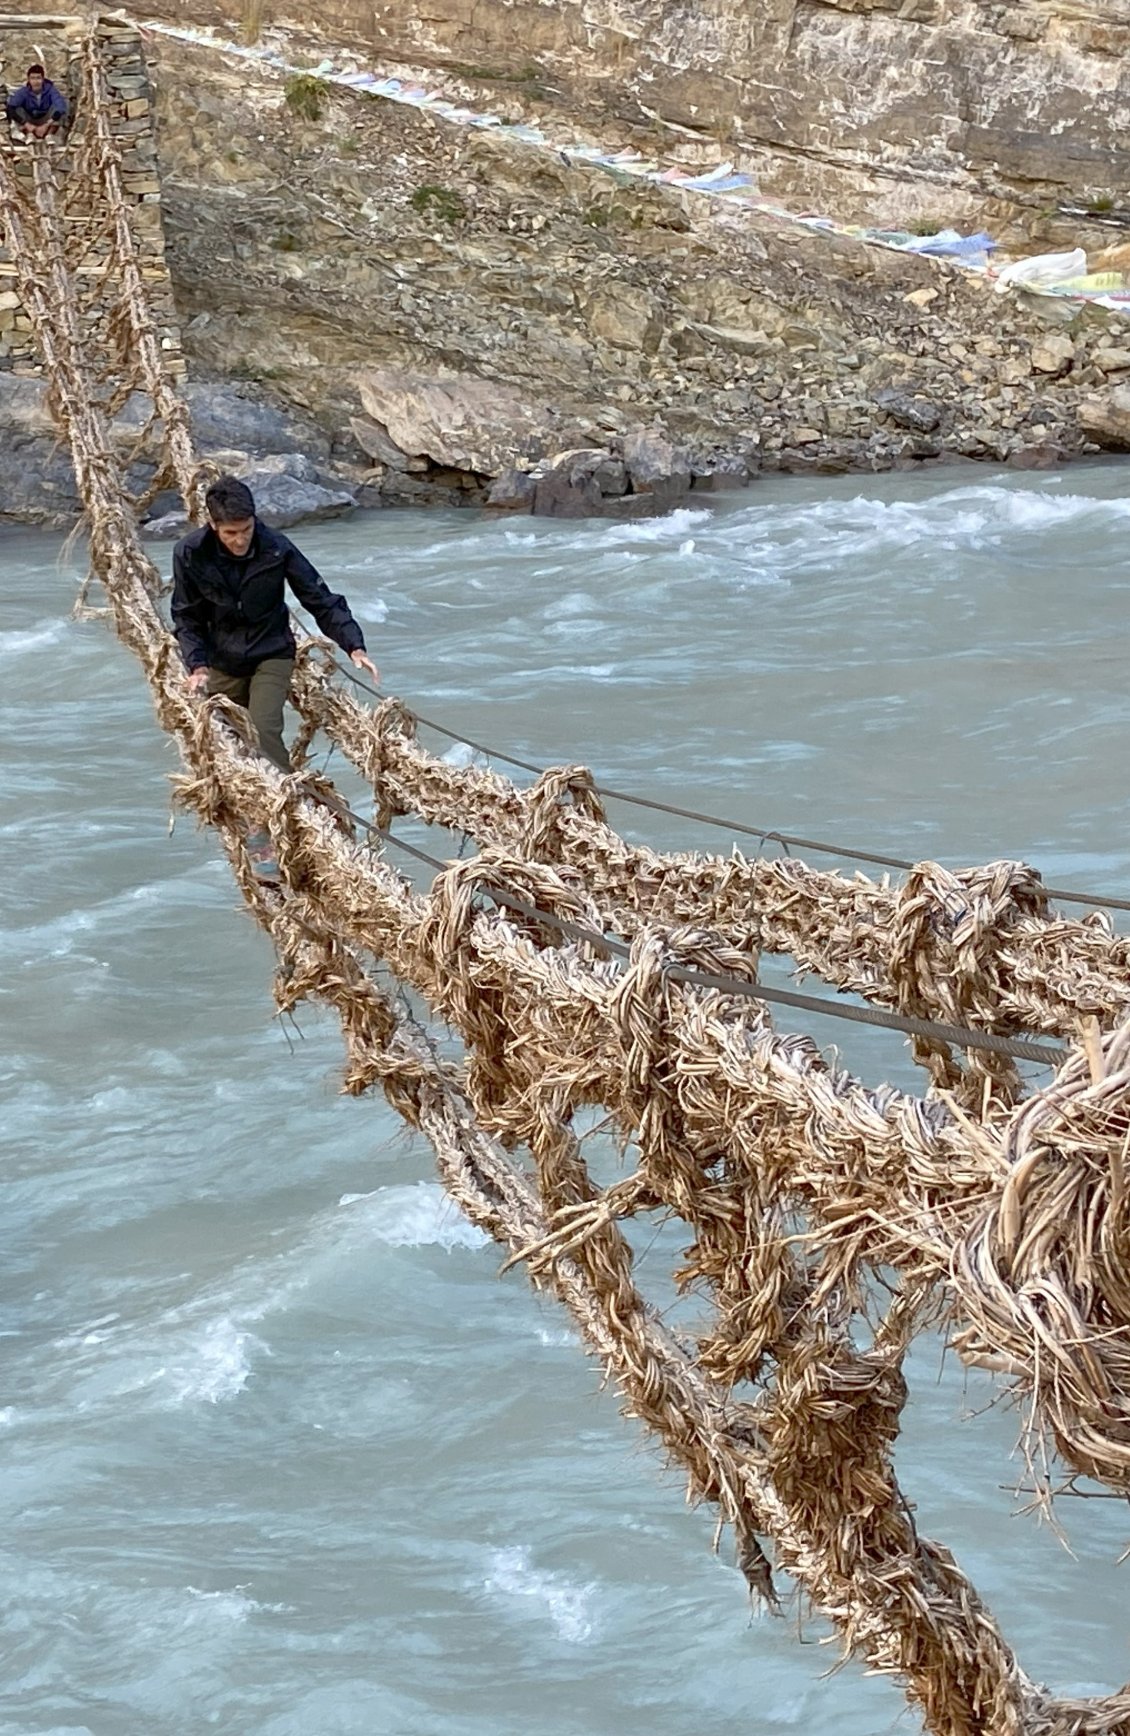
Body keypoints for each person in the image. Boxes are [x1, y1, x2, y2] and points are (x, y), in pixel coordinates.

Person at [171, 475, 379, 878]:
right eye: (231, 533)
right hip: (220, 657)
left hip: (271, 651)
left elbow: (319, 597)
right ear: (214, 526)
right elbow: (186, 616)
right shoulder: (190, 553)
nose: (240, 540)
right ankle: (248, 809)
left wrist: (353, 645)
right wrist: (196, 665)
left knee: (264, 728)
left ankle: (282, 817)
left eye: (246, 530)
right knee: (225, 741)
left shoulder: (275, 547)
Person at [5, 64, 68, 139]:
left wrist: (46, 125)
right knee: (16, 109)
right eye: (33, 78)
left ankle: (50, 135)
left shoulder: (51, 90)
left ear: (43, 79)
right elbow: (11, 107)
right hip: (29, 120)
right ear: (29, 80)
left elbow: (61, 106)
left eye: (38, 78)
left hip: (46, 120)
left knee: (59, 108)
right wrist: (26, 124)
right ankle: (29, 135)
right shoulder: (23, 92)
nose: (36, 81)